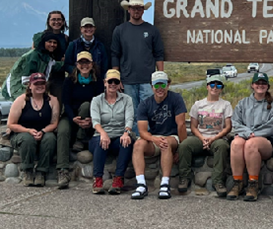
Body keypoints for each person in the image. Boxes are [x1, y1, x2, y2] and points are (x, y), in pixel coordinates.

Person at [111, 0, 165, 134]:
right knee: (132, 113)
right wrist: (117, 78)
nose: (136, 11)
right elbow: (115, 54)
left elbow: (159, 54)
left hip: (148, 80)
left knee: (151, 112)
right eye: (134, 8)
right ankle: (137, 141)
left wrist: (160, 77)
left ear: (143, 10)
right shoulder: (120, 30)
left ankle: (151, 141)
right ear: (129, 9)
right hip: (127, 80)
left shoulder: (152, 30)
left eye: (139, 8)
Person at [131, 71, 187, 200]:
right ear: (152, 86)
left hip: (172, 136)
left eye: (163, 85)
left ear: (168, 84)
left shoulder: (176, 98)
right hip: (154, 137)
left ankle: (165, 184)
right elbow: (142, 130)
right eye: (156, 85)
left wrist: (181, 148)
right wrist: (153, 139)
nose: (160, 89)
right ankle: (141, 184)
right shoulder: (145, 104)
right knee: (138, 144)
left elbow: (181, 125)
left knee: (165, 142)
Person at [228, 72, 273, 202]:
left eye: (263, 83)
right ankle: (238, 182)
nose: (260, 85)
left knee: (251, 144)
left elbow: (272, 126)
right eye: (258, 83)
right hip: (245, 136)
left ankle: (253, 184)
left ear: (267, 86)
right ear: (252, 85)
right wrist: (247, 133)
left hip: (266, 140)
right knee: (236, 143)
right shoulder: (243, 103)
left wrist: (254, 134)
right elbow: (235, 122)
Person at [178, 75, 232, 197]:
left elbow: (228, 127)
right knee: (184, 145)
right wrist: (202, 138)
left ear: (221, 89)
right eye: (212, 85)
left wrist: (213, 138)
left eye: (218, 85)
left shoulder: (226, 105)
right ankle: (184, 178)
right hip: (200, 137)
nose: (215, 88)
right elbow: (193, 126)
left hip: (217, 138)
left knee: (222, 147)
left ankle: (218, 181)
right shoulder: (198, 104)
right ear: (207, 87)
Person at [56, 51, 104, 189]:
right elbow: (66, 102)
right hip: (71, 115)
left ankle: (80, 138)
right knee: (63, 130)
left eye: (87, 62)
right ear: (77, 64)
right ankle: (63, 170)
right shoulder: (69, 81)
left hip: (89, 116)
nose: (84, 65)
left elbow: (99, 103)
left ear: (91, 64)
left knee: (87, 105)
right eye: (81, 63)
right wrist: (73, 118)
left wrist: (92, 119)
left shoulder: (97, 81)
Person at [7, 73, 60, 187]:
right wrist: (28, 130)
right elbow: (11, 124)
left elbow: (54, 123)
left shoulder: (53, 100)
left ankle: (41, 171)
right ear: (30, 85)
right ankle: (28, 171)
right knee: (28, 139)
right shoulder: (21, 101)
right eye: (36, 84)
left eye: (42, 83)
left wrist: (44, 131)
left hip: (43, 131)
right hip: (21, 132)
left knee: (50, 138)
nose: (40, 86)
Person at [90, 69, 134, 195]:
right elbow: (95, 121)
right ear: (105, 82)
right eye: (110, 81)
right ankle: (98, 179)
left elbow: (129, 119)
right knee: (101, 141)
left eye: (116, 81)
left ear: (120, 83)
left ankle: (118, 179)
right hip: (100, 135)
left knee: (127, 142)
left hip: (119, 135)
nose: (113, 84)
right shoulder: (96, 100)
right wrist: (103, 133)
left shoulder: (127, 100)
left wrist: (126, 132)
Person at [1, 32, 64, 101]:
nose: (52, 44)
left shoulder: (46, 57)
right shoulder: (32, 56)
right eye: (49, 42)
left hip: (30, 87)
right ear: (43, 43)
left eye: (55, 43)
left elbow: (54, 66)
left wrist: (69, 61)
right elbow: (26, 79)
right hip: (16, 87)